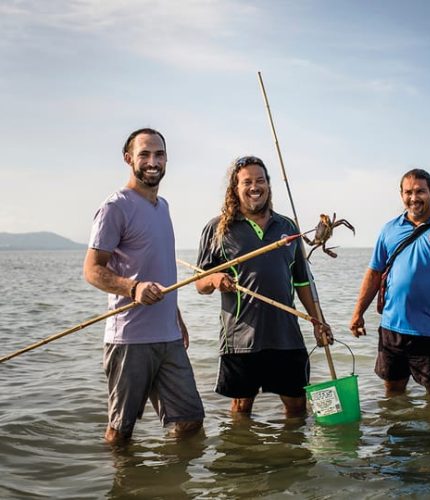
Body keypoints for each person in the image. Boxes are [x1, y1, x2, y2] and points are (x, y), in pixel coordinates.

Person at [83, 128, 205, 445]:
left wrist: (176, 317)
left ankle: (171, 487)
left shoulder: (163, 206)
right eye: (145, 154)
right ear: (129, 159)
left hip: (168, 338)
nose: (153, 161)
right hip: (129, 339)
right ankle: (124, 488)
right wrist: (133, 288)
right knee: (121, 433)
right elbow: (92, 269)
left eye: (159, 154)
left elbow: (159, 267)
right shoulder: (115, 207)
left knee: (191, 422)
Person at [195, 155, 332, 418]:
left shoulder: (288, 227)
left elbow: (303, 281)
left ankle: (291, 457)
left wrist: (318, 322)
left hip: (286, 335)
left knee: (297, 407)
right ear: (235, 188)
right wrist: (214, 279)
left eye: (260, 180)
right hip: (240, 339)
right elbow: (199, 283)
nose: (254, 187)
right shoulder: (217, 229)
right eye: (246, 182)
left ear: (268, 185)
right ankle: (245, 458)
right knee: (241, 408)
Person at [349, 169, 430, 398]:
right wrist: (358, 313)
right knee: (393, 393)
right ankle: (397, 433)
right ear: (401, 194)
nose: (414, 197)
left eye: (420, 191)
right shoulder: (389, 229)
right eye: (408, 192)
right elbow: (374, 273)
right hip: (391, 328)